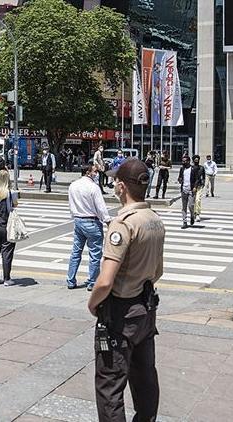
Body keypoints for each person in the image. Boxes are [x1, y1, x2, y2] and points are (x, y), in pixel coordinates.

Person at [87, 158, 164, 422]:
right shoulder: (154, 219)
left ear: (121, 186)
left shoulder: (123, 224)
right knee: (144, 377)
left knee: (110, 384)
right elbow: (158, 272)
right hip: (146, 309)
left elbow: (106, 281)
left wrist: (92, 302)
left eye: (114, 182)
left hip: (121, 313)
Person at [67, 163, 112, 291]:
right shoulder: (93, 187)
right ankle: (92, 282)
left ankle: (71, 280)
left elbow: (71, 204)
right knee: (95, 254)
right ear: (88, 172)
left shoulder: (73, 185)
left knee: (76, 252)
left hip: (78, 221)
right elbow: (101, 207)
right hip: (92, 222)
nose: (96, 174)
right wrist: (107, 220)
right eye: (95, 171)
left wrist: (74, 216)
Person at [176, 155, 200, 228]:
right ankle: (184, 222)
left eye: (185, 161)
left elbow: (197, 179)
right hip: (184, 190)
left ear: (188, 161)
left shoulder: (193, 169)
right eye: (182, 161)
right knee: (184, 207)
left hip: (191, 190)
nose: (183, 162)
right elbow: (179, 177)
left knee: (191, 205)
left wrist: (195, 187)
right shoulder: (182, 169)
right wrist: (179, 180)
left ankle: (192, 215)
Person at [192, 155, 205, 220]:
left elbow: (203, 176)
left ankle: (197, 214)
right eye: (195, 160)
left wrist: (203, 183)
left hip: (199, 186)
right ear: (193, 161)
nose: (196, 161)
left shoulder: (202, 168)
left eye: (198, 160)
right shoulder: (191, 168)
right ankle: (193, 213)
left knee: (198, 199)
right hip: (192, 186)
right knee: (193, 201)